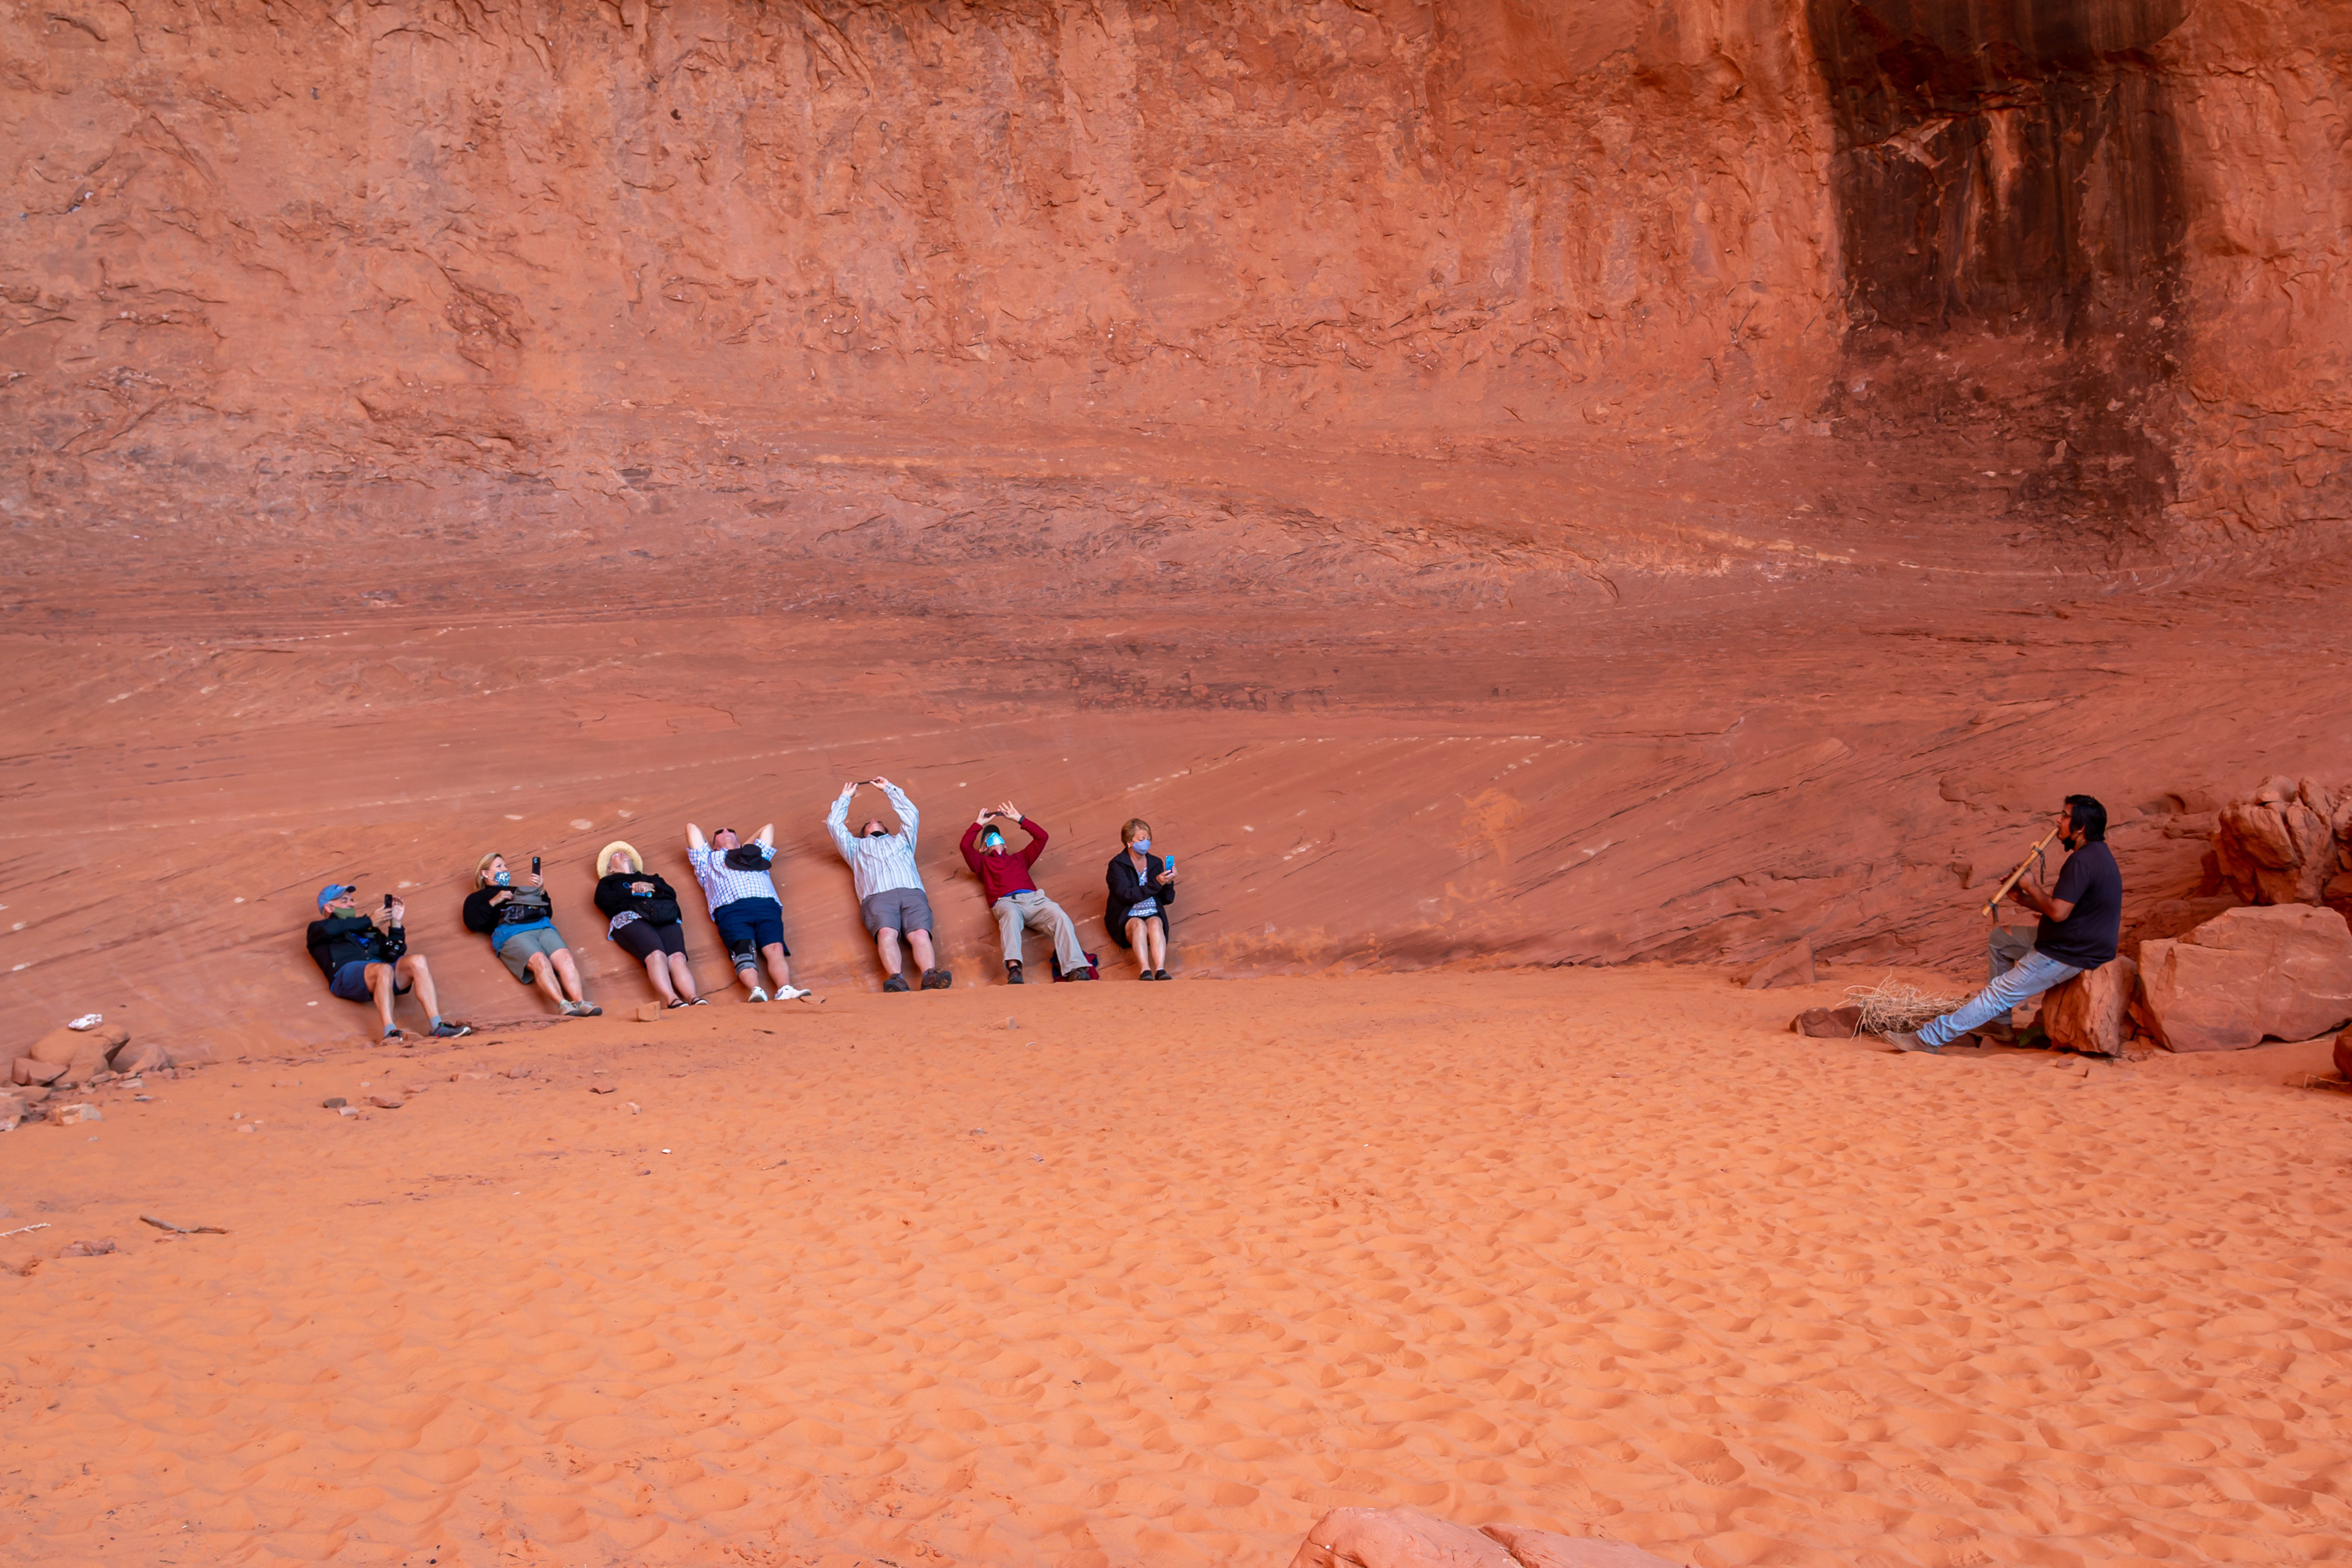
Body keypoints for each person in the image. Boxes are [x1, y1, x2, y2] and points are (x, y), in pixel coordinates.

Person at [1884, 794, 2123, 1054]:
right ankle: (1999, 1023)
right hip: (2069, 939)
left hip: (2070, 951)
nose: (2058, 820)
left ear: (2080, 828)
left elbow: (2058, 913)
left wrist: (2032, 885)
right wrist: (2021, 897)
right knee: (2001, 939)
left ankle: (1928, 1040)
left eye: (2065, 817)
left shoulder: (2083, 862)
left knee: (1999, 992)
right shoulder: (2096, 855)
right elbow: (2063, 909)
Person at [827, 777, 951, 992]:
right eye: (868, 823)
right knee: (886, 933)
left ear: (887, 829)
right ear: (863, 833)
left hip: (911, 892)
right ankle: (896, 979)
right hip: (877, 896)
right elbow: (834, 825)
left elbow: (911, 815)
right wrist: (846, 798)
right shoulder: (855, 847)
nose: (874, 819)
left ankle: (930, 976)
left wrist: (889, 789)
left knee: (919, 933)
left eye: (879, 821)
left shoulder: (902, 840)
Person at [305, 883, 471, 1041]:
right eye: (344, 900)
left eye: (351, 899)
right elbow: (334, 928)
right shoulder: (318, 928)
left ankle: (438, 1026)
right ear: (328, 907)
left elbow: (393, 953)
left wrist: (396, 924)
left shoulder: (367, 929)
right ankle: (390, 1032)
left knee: (418, 961)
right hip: (345, 975)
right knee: (383, 969)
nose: (351, 904)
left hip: (379, 972)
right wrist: (368, 921)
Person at [959, 800, 1093, 983]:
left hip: (1034, 900)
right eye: (989, 840)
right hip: (1007, 902)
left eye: (998, 838)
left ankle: (1075, 968)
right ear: (983, 848)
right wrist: (978, 824)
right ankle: (1015, 970)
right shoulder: (982, 864)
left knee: (1059, 915)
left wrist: (1019, 819)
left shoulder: (1020, 858)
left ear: (1005, 845)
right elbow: (965, 846)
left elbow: (1042, 837)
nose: (995, 841)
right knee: (1011, 915)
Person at [685, 821, 813, 1003]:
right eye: (720, 833)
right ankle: (756, 990)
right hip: (732, 909)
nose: (725, 831)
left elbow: (768, 828)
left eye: (731, 831)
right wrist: (728, 845)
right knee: (743, 950)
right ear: (713, 845)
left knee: (775, 948)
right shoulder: (707, 860)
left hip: (766, 905)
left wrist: (744, 848)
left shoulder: (755, 857)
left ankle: (784, 989)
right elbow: (692, 828)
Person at [462, 853, 600, 1017]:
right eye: (499, 867)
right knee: (539, 960)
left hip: (541, 926)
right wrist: (494, 901)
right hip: (512, 932)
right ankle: (563, 1004)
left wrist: (541, 890)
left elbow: (547, 912)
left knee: (566, 958)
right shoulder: (477, 898)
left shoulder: (519, 891)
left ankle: (580, 1002)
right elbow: (473, 924)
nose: (505, 869)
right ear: (485, 873)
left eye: (505, 866)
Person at [594, 842, 705, 1008]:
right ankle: (672, 999)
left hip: (662, 915)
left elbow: (670, 893)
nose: (622, 854)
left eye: (624, 853)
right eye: (616, 855)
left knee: (677, 957)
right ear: (610, 869)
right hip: (631, 917)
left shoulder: (652, 879)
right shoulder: (608, 882)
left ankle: (693, 998)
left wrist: (651, 886)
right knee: (656, 954)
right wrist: (631, 891)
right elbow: (603, 900)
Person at [1106, 818, 1178, 980]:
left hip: (1152, 910)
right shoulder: (1117, 865)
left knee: (1156, 923)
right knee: (1138, 925)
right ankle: (1145, 970)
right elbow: (1126, 895)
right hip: (1127, 913)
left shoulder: (1155, 862)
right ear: (1129, 842)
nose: (1146, 843)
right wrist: (1156, 883)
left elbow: (1167, 899)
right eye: (1141, 839)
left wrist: (1168, 882)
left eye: (1149, 839)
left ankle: (1160, 969)